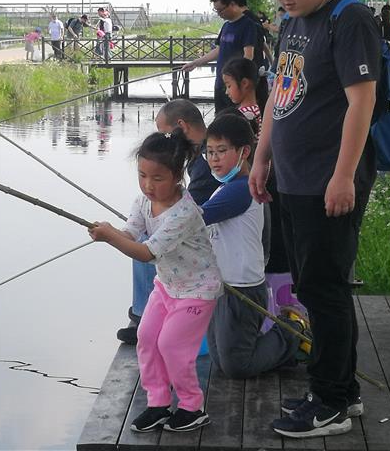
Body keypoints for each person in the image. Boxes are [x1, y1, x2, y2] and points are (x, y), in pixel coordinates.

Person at [249, 0, 379, 439]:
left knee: (323, 288)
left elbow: (362, 102)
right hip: (293, 178)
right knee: (314, 287)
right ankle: (342, 391)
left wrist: (343, 175)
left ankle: (330, 403)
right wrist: (260, 159)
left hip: (329, 180)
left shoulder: (350, 20)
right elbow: (279, 97)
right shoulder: (291, 24)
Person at [88, 129, 222, 433]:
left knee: (171, 345)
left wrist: (110, 238)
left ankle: (191, 406)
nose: (148, 185)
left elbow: (147, 253)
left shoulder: (183, 213)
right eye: (142, 175)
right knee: (147, 338)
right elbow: (131, 235)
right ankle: (158, 402)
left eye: (157, 178)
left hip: (197, 291)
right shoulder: (143, 201)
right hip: (167, 286)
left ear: (177, 176)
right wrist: (108, 233)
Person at [202, 113, 300, 378]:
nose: (214, 159)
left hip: (242, 287)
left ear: (245, 152)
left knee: (237, 367)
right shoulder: (222, 189)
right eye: (209, 152)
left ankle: (292, 333)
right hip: (222, 286)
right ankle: (278, 343)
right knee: (221, 363)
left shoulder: (241, 189)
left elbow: (195, 219)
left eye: (221, 151)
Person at [116, 100, 221, 346]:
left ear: (180, 127)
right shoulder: (196, 157)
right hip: (191, 238)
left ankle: (141, 314)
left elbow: (191, 210)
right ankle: (144, 315)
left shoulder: (204, 161)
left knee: (146, 245)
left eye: (165, 133)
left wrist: (113, 236)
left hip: (201, 253)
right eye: (142, 176)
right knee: (143, 238)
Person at [183, 0, 257, 113]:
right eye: (216, 10)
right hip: (220, 82)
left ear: (232, 4)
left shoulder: (248, 25)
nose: (219, 14)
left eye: (220, 10)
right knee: (220, 118)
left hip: (234, 86)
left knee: (234, 121)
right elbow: (219, 50)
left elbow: (248, 56)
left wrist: (237, 81)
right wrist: (196, 63)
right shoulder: (226, 25)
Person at [221, 56, 268, 137]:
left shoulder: (245, 114)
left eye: (229, 86)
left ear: (244, 83)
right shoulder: (258, 108)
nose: (226, 92)